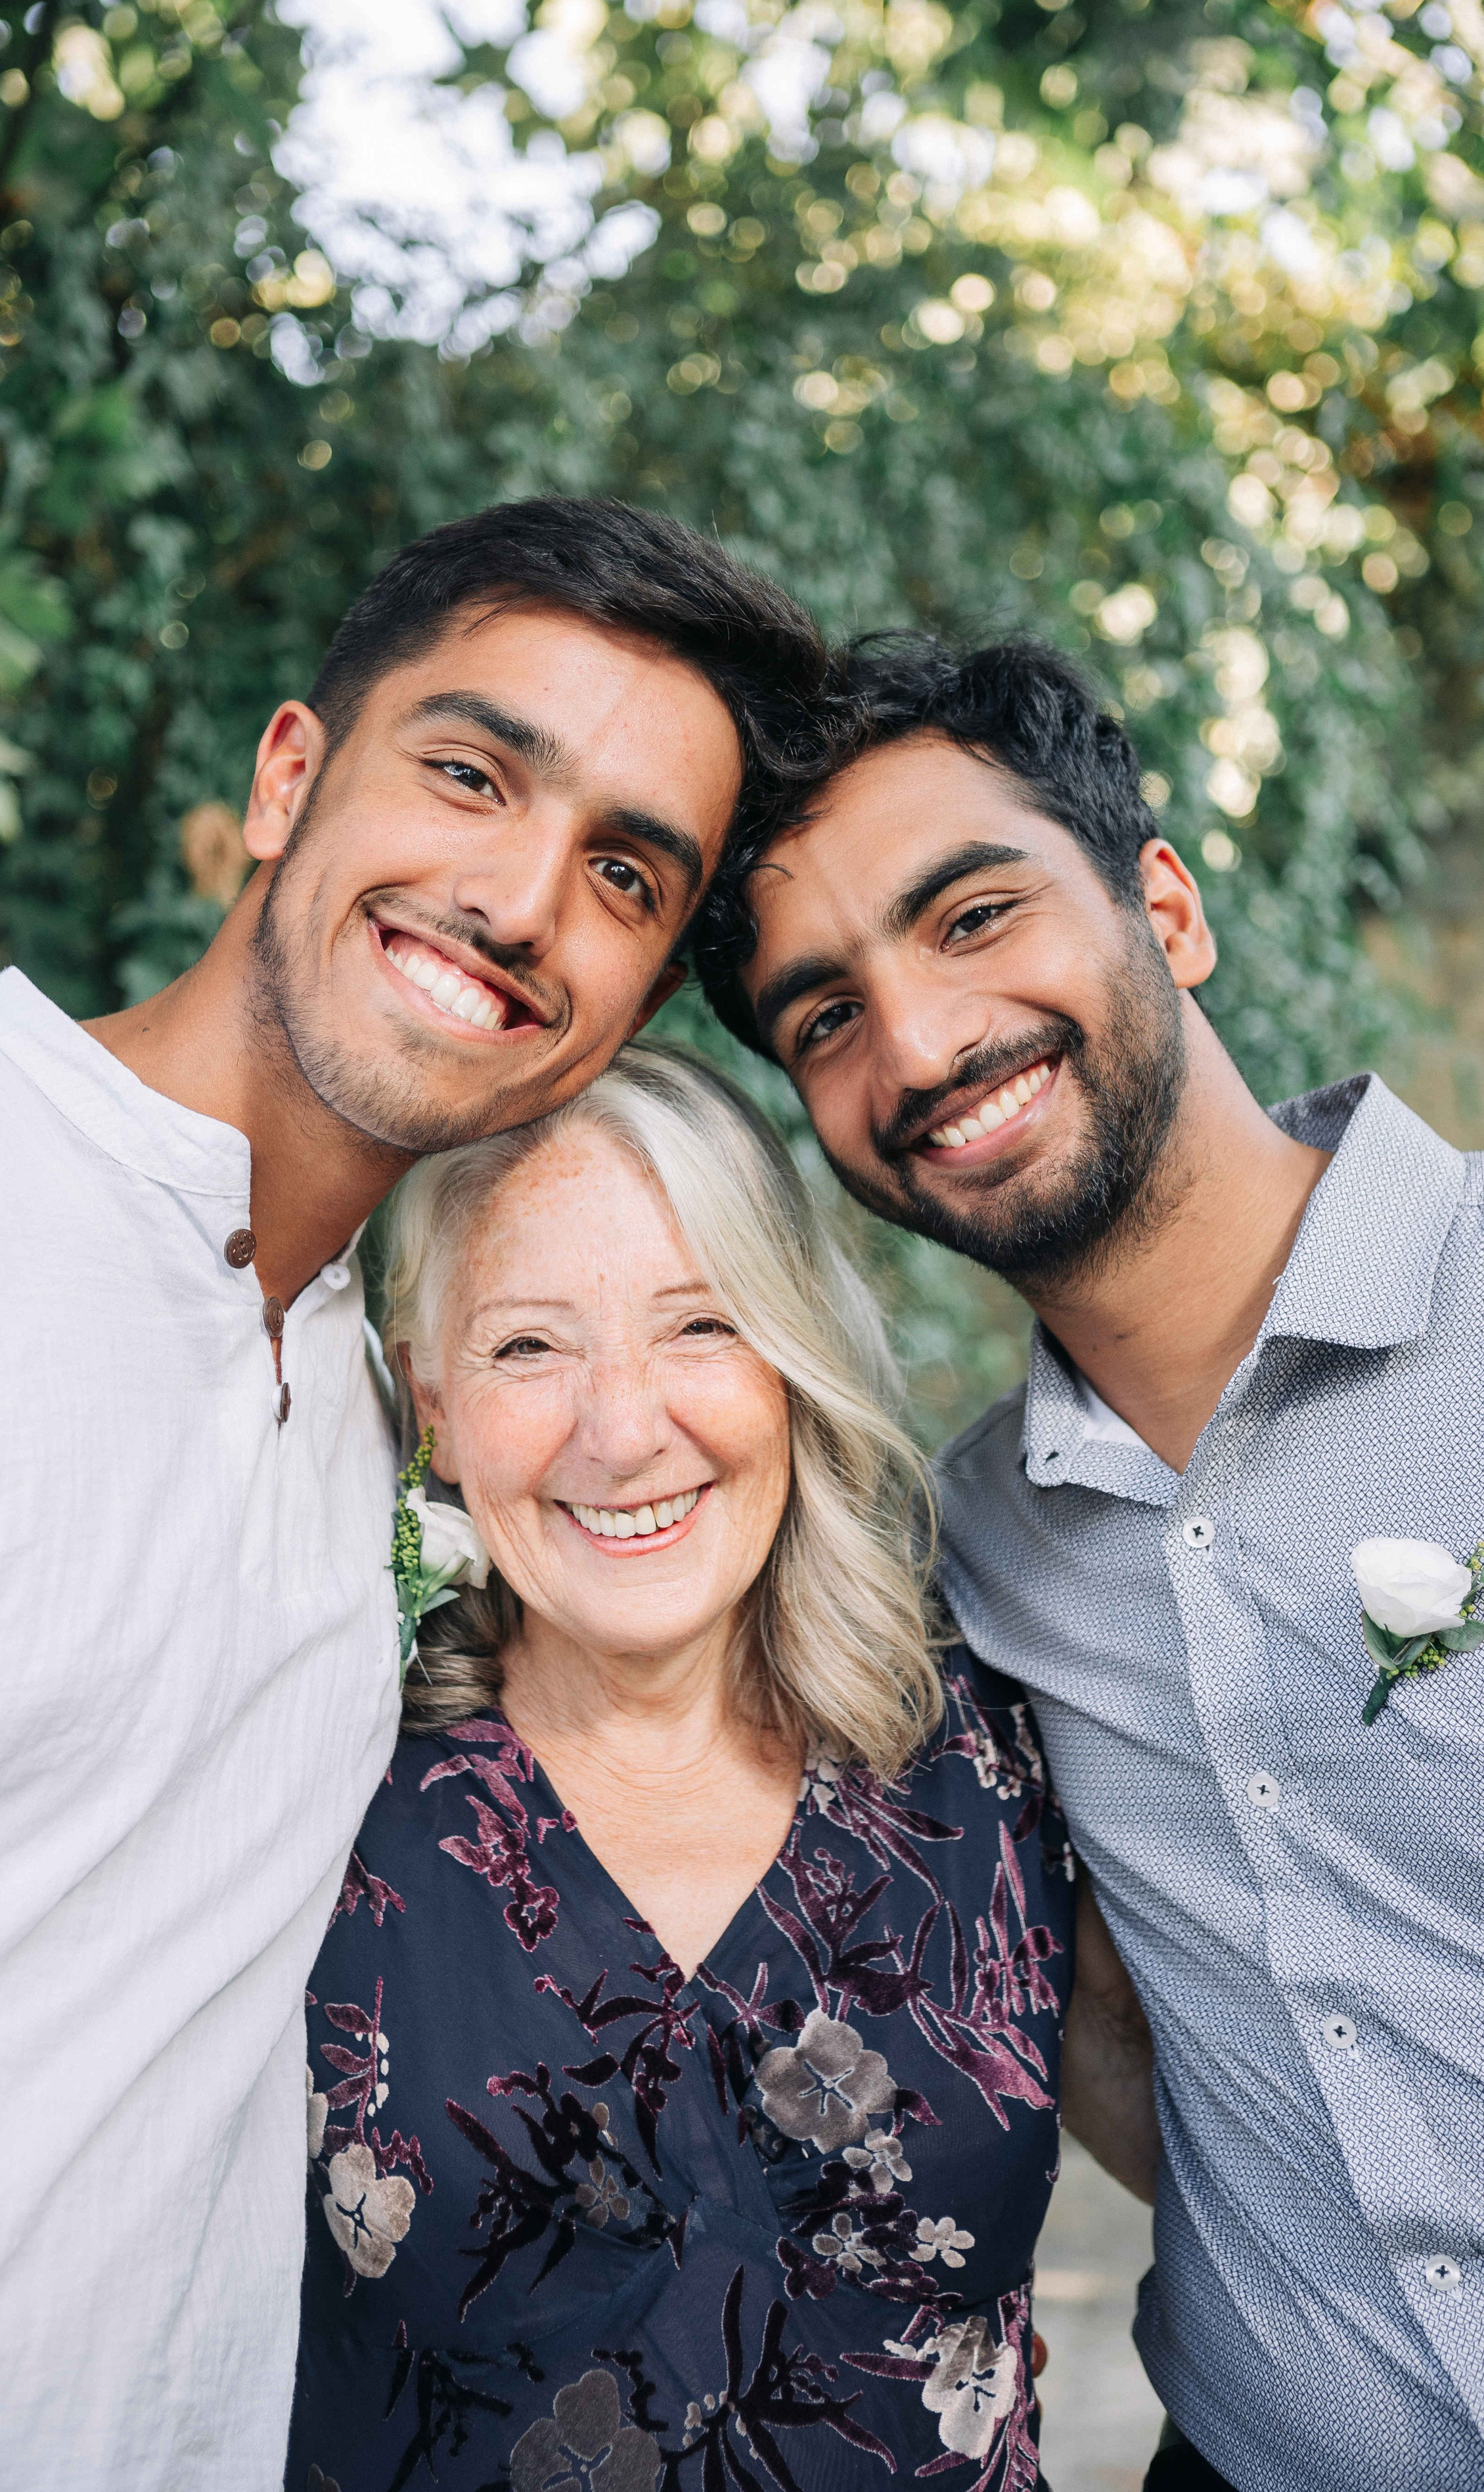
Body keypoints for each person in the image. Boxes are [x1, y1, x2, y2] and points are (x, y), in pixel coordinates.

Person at [0, 500, 826, 2490]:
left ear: (631, 1004)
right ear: (287, 778)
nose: (520, 900)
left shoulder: (406, 1413)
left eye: (623, 875)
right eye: (470, 775)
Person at [695, 627, 1484, 2492]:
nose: (919, 1045)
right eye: (825, 1018)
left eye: (973, 917)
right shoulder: (966, 1552)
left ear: (1167, 910)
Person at [288, 1043, 1075, 2491]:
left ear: (788, 1357)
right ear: (431, 1401)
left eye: (700, 1325)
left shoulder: (990, 1746)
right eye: (529, 1347)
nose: (624, 1428)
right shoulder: (315, 1792)